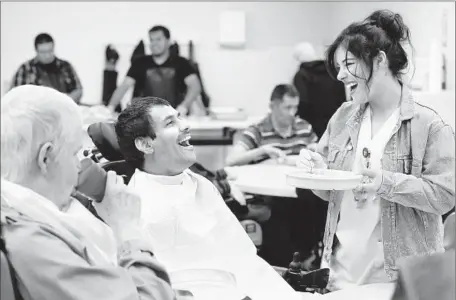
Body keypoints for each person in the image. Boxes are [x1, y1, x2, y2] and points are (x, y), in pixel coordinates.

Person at [297, 10, 455, 292]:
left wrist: (386, 183)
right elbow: (327, 191)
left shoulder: (428, 124)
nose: (341, 75)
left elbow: (445, 196)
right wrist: (314, 169)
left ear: (380, 60)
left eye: (348, 64)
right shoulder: (343, 117)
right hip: (340, 274)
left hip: (398, 280)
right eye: (339, 66)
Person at [114, 97, 314, 300]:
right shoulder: (134, 206)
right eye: (170, 123)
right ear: (145, 144)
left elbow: (244, 259)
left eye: (179, 117)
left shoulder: (201, 185)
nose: (185, 125)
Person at [0, 85, 175, 300]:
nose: (78, 166)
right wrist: (129, 230)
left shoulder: (20, 210)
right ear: (46, 157)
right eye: (74, 153)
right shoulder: (35, 244)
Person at [107, 25, 201, 116]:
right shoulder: (140, 63)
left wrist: (184, 107)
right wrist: (110, 108)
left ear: (168, 41)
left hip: (173, 116)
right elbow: (124, 86)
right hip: (145, 118)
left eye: (158, 39)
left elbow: (195, 86)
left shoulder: (181, 63)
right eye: (151, 40)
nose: (154, 43)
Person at [226, 84, 318, 167]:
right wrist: (262, 151)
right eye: (288, 107)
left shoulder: (305, 128)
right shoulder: (257, 130)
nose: (292, 113)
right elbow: (231, 160)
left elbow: (321, 157)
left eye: (295, 107)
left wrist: (316, 151)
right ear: (272, 106)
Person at [292, 42, 346, 138]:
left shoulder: (301, 75)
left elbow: (302, 103)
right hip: (336, 125)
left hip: (312, 129)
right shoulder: (333, 71)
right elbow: (342, 99)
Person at [10, 33, 83, 104]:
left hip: (64, 111)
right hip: (35, 113)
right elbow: (16, 96)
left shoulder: (65, 66)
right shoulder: (25, 69)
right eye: (43, 52)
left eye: (50, 51)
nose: (47, 55)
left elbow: (78, 89)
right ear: (36, 50)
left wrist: (66, 101)